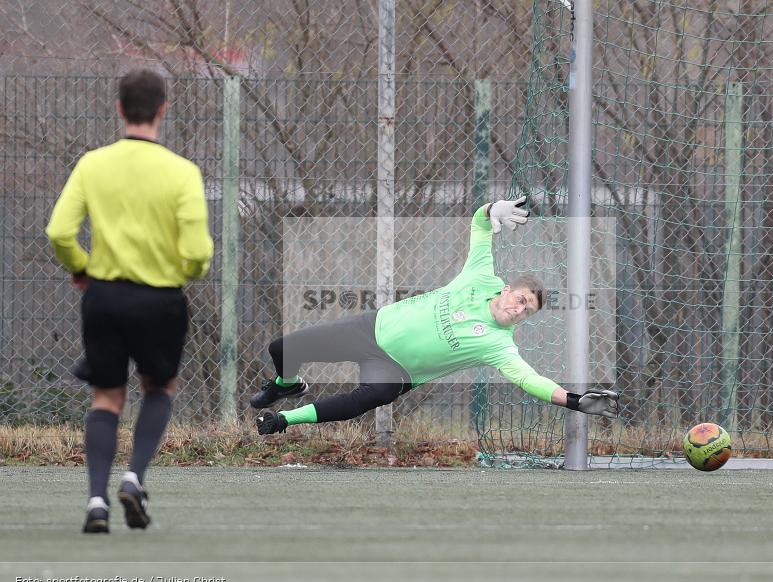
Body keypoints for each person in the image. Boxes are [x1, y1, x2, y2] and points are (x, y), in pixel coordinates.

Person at [253, 197, 620, 435]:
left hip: (397, 371)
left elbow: (530, 379)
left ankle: (284, 419)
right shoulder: (480, 277)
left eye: (527, 311)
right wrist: (492, 209)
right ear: (507, 289)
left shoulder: (497, 345)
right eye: (521, 299)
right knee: (282, 348)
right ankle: (288, 384)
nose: (519, 309)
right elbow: (480, 227)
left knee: (366, 398)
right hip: (372, 329)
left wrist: (573, 400)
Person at [45, 69, 214, 532]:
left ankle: (96, 501)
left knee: (106, 398)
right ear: (163, 109)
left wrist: (81, 267)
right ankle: (135, 477)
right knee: (159, 389)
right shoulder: (182, 172)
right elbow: (199, 254)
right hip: (160, 300)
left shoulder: (92, 164)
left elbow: (59, 232)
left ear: (119, 109)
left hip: (103, 298)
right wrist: (181, 273)